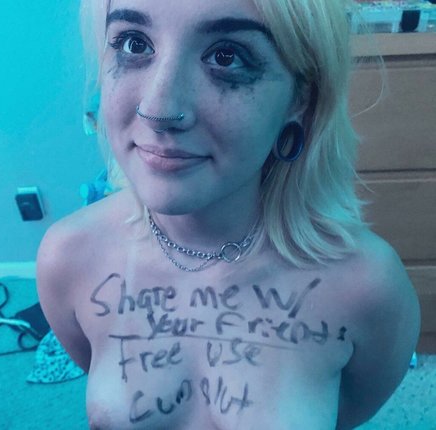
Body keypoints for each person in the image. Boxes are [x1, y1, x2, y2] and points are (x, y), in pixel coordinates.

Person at [36, 0, 421, 428]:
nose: (158, 109)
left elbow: (348, 413)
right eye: (134, 44)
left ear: (300, 98)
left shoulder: (370, 289)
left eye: (226, 56)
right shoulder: (69, 258)